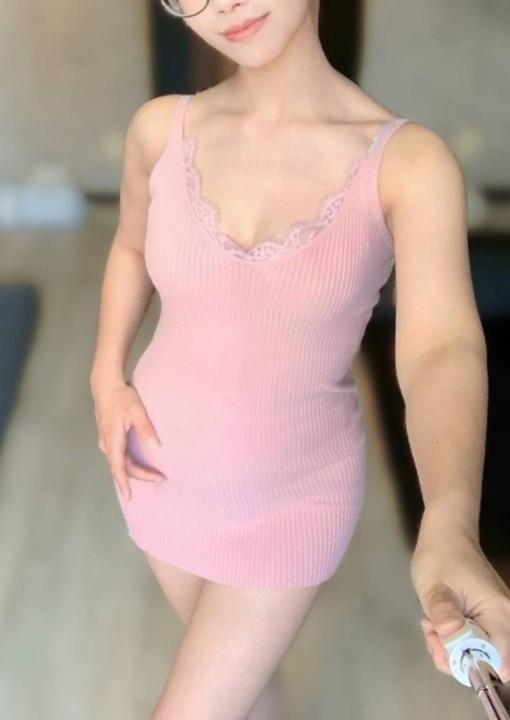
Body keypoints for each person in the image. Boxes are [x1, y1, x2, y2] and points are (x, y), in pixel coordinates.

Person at [90, 1, 510, 718]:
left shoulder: (409, 164)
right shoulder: (159, 129)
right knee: (242, 688)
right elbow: (130, 245)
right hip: (155, 476)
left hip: (289, 503)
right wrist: (106, 378)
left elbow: (441, 349)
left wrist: (449, 519)